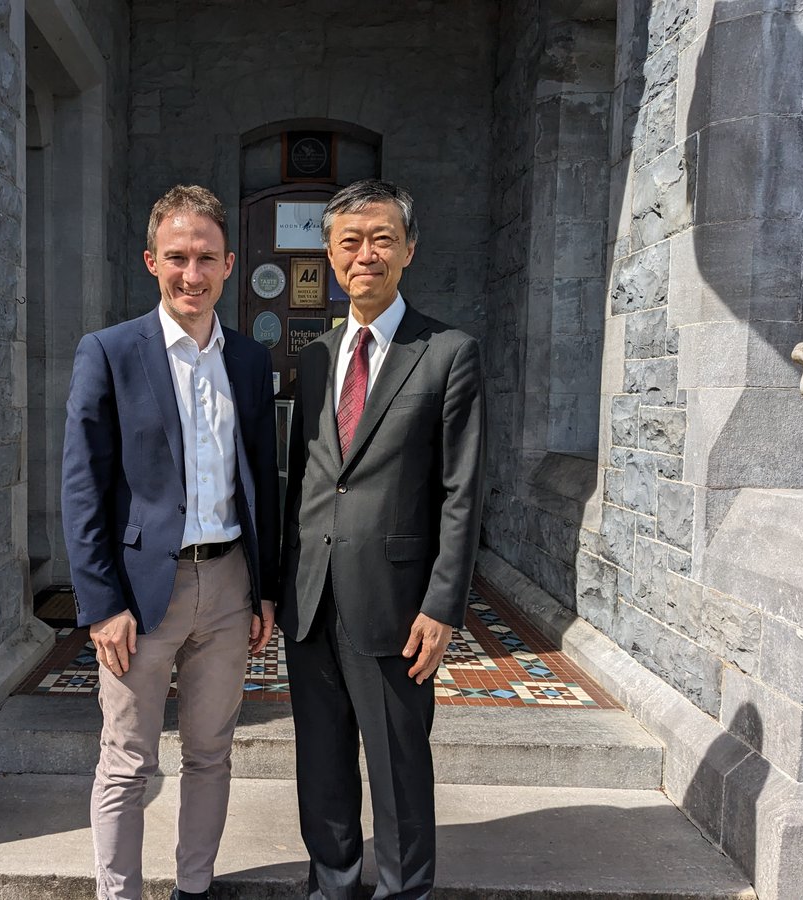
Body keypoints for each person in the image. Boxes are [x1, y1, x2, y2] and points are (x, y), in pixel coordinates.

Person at [62, 184, 279, 900]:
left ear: (229, 264)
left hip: (228, 587)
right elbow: (82, 487)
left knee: (212, 755)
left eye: (207, 258)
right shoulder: (110, 352)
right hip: (139, 594)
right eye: (178, 258)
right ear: (152, 261)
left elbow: (260, 480)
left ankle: (194, 888)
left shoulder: (248, 360)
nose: (193, 274)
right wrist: (100, 605)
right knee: (127, 760)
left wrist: (265, 588)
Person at [279, 179, 486, 899]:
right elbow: (306, 478)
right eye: (349, 242)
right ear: (331, 257)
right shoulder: (314, 356)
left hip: (398, 607)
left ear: (408, 250)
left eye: (381, 239)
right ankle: (332, 887)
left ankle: (404, 892)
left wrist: (444, 605)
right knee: (322, 766)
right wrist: (278, 587)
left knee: (399, 768)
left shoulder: (448, 352)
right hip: (310, 600)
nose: (365, 254)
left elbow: (462, 490)